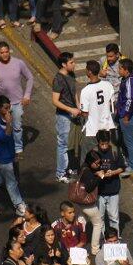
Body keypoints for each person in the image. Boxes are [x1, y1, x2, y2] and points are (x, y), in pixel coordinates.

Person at [0, 42, 33, 156]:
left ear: (9, 51)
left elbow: (30, 77)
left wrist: (27, 95)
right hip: (2, 103)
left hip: (17, 102)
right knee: (3, 126)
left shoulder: (19, 63)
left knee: (17, 126)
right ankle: (5, 145)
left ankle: (18, 148)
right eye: (2, 52)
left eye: (6, 51)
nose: (5, 54)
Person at [51, 53, 81, 182]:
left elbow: (73, 93)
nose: (74, 64)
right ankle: (60, 173)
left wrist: (78, 106)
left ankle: (68, 167)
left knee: (71, 143)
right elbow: (55, 101)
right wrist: (71, 109)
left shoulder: (71, 75)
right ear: (64, 64)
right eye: (71, 63)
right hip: (64, 116)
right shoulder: (58, 79)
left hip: (73, 114)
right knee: (63, 144)